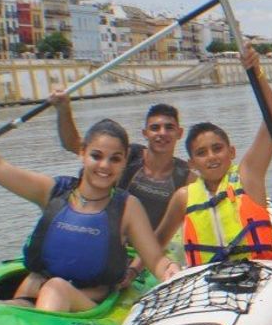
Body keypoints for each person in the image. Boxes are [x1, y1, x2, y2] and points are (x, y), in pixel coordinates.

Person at [0, 98, 181, 311]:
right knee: (7, 305)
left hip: (87, 304)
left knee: (56, 287)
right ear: (82, 153)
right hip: (32, 296)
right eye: (96, 156)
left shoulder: (128, 207)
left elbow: (156, 260)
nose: (104, 166)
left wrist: (171, 271)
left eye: (115, 159)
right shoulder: (53, 191)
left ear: (124, 162)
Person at [156, 46, 272, 267]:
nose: (212, 157)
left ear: (231, 152)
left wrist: (256, 72)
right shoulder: (183, 197)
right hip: (208, 283)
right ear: (191, 164)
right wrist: (137, 270)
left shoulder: (248, 175)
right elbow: (156, 243)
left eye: (217, 148)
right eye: (202, 153)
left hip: (259, 274)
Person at [54, 93, 192, 229]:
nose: (162, 133)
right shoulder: (127, 156)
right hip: (111, 238)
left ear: (179, 133)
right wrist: (63, 109)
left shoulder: (186, 176)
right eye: (155, 128)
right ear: (145, 133)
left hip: (152, 245)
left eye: (169, 128)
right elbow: (72, 144)